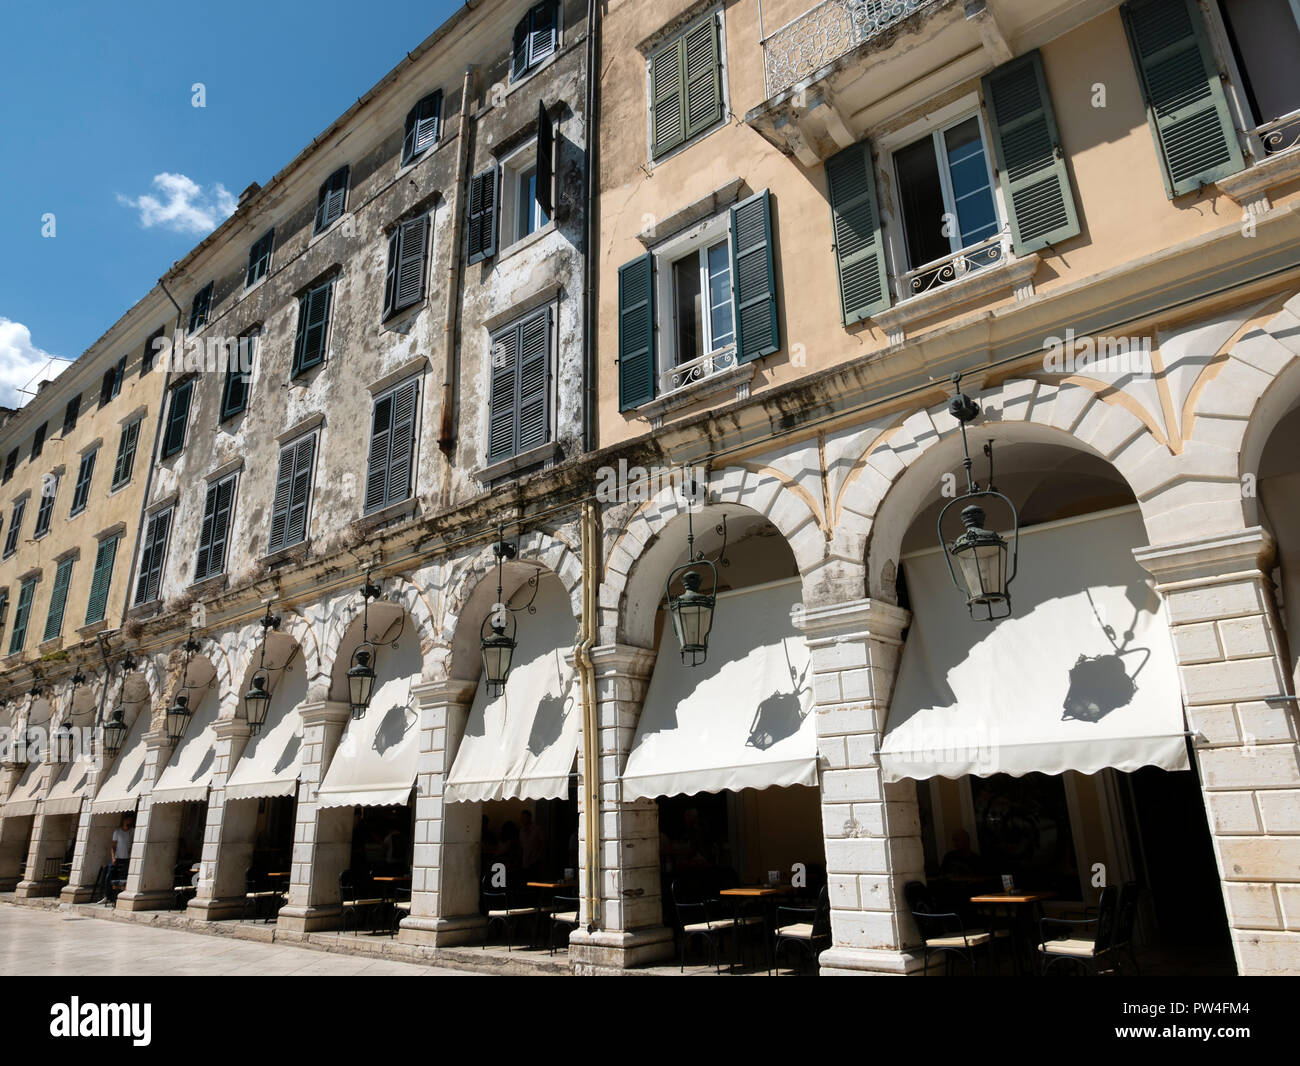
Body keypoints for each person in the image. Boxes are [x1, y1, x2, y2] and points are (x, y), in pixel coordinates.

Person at [519, 809, 546, 880]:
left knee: (535, 880)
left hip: (535, 860)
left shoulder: (537, 829)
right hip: (525, 861)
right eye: (522, 818)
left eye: (524, 817)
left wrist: (539, 855)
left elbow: (543, 843)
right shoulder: (521, 831)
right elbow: (522, 846)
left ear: (529, 818)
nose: (522, 820)